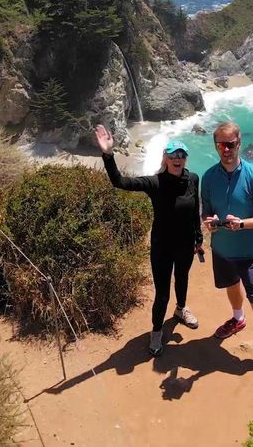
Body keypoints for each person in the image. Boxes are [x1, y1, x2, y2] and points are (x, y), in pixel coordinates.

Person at [94, 125, 203, 356]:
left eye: (182, 155)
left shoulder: (193, 179)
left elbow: (195, 211)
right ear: (165, 158)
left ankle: (181, 310)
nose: (178, 159)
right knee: (162, 293)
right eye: (173, 155)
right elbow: (120, 182)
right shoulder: (154, 183)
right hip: (162, 248)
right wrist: (107, 154)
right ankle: (156, 332)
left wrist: (199, 239)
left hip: (185, 245)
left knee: (182, 279)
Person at [201, 121, 253, 385]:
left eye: (231, 144)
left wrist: (243, 224)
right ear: (216, 146)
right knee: (231, 286)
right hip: (222, 250)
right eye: (221, 145)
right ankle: (237, 319)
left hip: (250, 253)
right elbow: (206, 210)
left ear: (239, 143)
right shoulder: (209, 177)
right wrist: (209, 222)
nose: (226, 149)